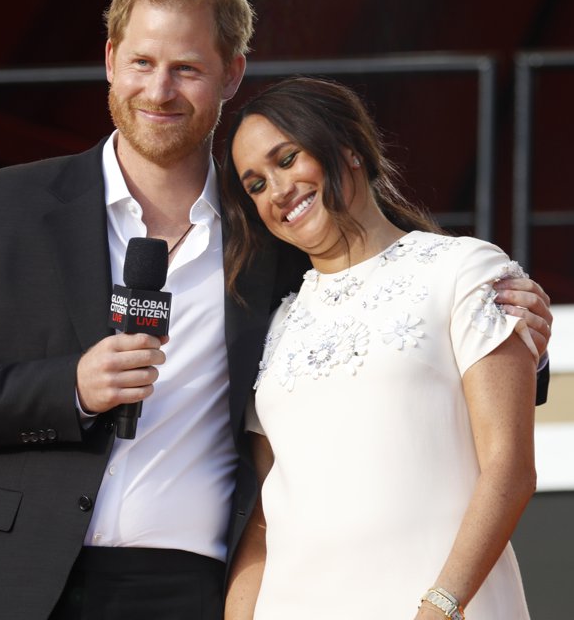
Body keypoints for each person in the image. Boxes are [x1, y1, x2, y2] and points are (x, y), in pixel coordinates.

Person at [0, 0, 554, 620]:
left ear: (230, 74)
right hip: (18, 580)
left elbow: (377, 306)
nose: (159, 91)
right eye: (142, 62)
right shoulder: (10, 204)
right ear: (112, 60)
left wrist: (511, 331)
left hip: (193, 591)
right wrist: (72, 387)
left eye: (186, 68)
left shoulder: (270, 231)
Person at [221, 76, 540, 619]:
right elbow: (264, 523)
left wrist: (441, 606)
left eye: (288, 159)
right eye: (255, 185)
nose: (277, 191)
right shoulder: (274, 327)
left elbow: (509, 469)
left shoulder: (463, 270)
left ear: (349, 147)